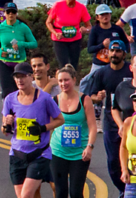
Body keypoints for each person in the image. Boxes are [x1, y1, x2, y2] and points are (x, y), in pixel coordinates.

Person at [2, 62, 64, 198]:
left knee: (26, 195)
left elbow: (60, 120)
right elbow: (5, 131)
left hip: (39, 154)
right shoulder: (9, 99)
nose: (20, 80)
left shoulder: (44, 98)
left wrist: (42, 128)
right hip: (17, 155)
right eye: (17, 77)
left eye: (23, 76)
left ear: (31, 77)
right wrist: (7, 124)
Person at [82, 39, 131, 194]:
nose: (114, 54)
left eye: (118, 51)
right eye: (112, 51)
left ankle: (133, 191)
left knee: (132, 158)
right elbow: (90, 96)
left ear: (124, 54)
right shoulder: (102, 73)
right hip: (111, 122)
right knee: (113, 161)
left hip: (132, 121)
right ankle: (123, 190)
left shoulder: (131, 70)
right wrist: (97, 97)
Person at [50, 65, 97, 198]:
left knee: (76, 193)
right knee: (60, 192)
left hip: (79, 153)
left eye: (66, 80)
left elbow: (93, 127)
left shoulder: (85, 100)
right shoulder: (55, 100)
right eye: (60, 81)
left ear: (74, 80)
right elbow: (49, 126)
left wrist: (89, 147)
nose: (63, 84)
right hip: (58, 151)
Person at [0, 4, 38, 98]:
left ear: (16, 13)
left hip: (19, 63)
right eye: (8, 12)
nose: (11, 14)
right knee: (7, 91)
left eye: (13, 12)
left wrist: (21, 44)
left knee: (20, 90)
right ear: (4, 13)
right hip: (4, 63)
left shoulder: (23, 27)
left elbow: (34, 43)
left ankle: (20, 106)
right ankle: (7, 107)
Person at [45, 0, 91, 70]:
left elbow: (89, 26)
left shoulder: (81, 7)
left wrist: (86, 30)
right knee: (63, 65)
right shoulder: (58, 5)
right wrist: (55, 33)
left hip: (75, 39)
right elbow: (48, 22)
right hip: (60, 39)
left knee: (74, 65)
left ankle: (73, 78)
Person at [84, 3, 128, 93]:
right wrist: (102, 45)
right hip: (99, 64)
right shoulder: (95, 30)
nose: (105, 17)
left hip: (116, 64)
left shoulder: (117, 29)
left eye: (107, 14)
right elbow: (90, 49)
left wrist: (124, 53)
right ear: (97, 17)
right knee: (87, 84)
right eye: (102, 14)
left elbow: (126, 42)